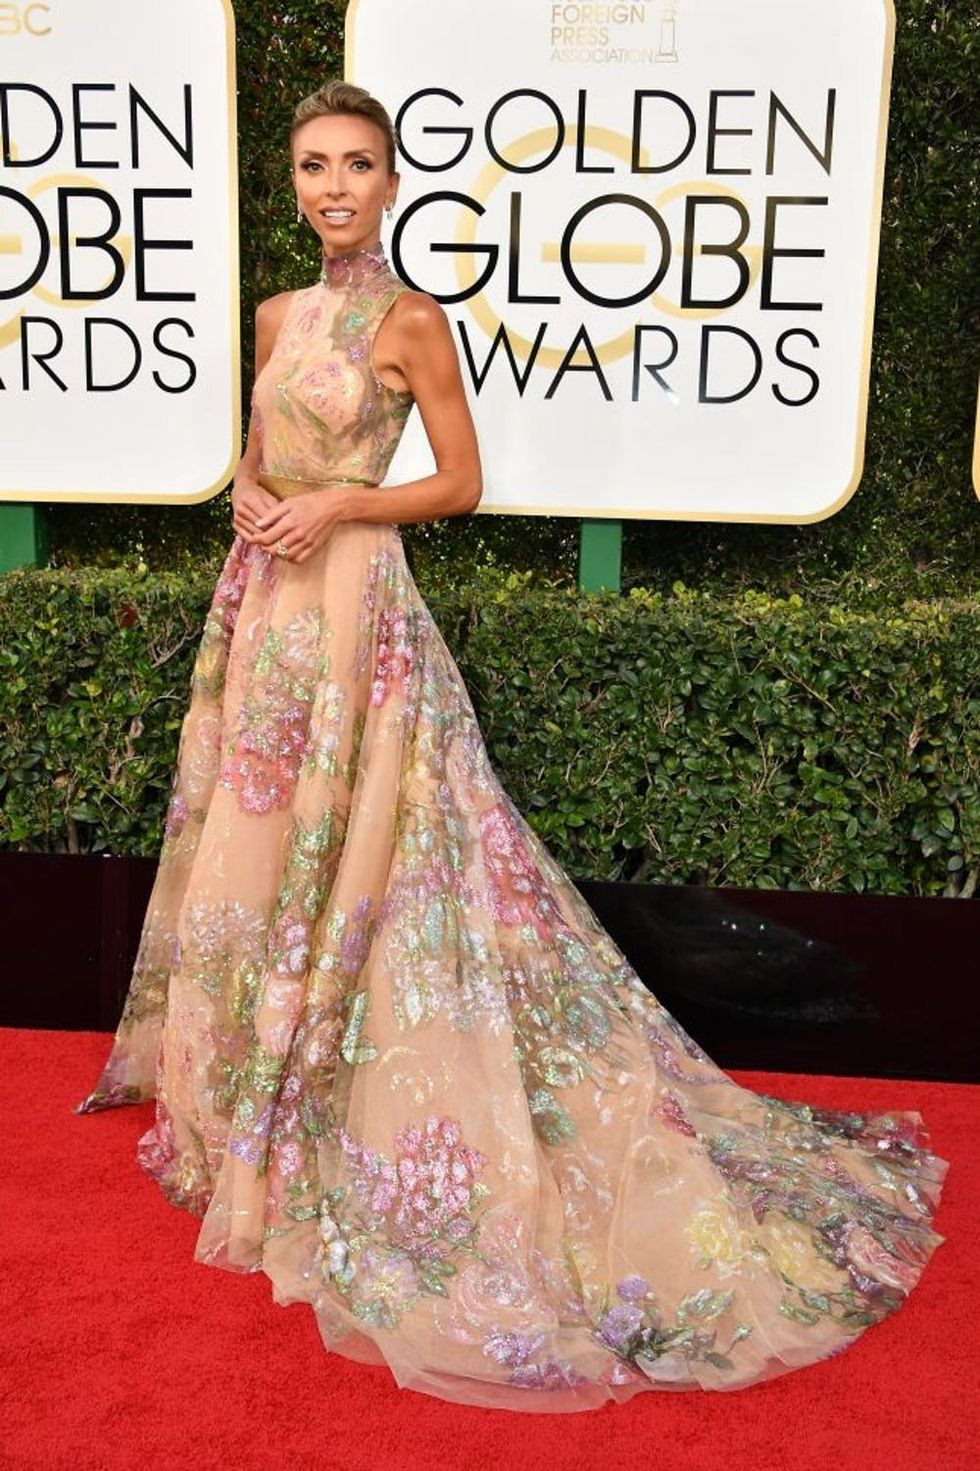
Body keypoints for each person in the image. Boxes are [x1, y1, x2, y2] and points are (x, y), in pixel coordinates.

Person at [74, 80, 949, 1414]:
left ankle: (332, 1085)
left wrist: (348, 503)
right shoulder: (273, 315)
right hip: (268, 610)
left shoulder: (411, 322)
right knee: (259, 840)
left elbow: (460, 483)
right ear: (293, 179)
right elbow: (256, 454)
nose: (332, 189)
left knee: (359, 847)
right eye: (313, 166)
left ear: (390, 182)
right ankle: (244, 1084)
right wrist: (255, 494)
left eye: (357, 166)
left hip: (360, 600)